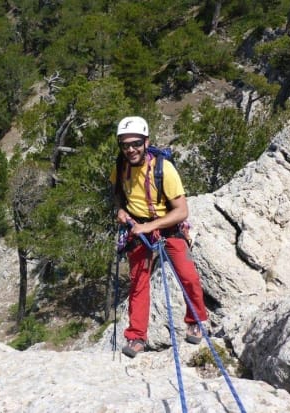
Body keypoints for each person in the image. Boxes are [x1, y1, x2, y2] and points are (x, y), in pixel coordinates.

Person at [110, 115, 208, 358]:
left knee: (188, 276)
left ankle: (195, 320)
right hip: (137, 228)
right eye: (125, 145)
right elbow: (116, 194)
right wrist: (120, 210)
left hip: (167, 226)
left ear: (146, 142)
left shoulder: (165, 169)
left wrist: (150, 226)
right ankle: (136, 336)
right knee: (138, 282)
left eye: (135, 144)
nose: (130, 149)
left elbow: (182, 211)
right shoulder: (121, 166)